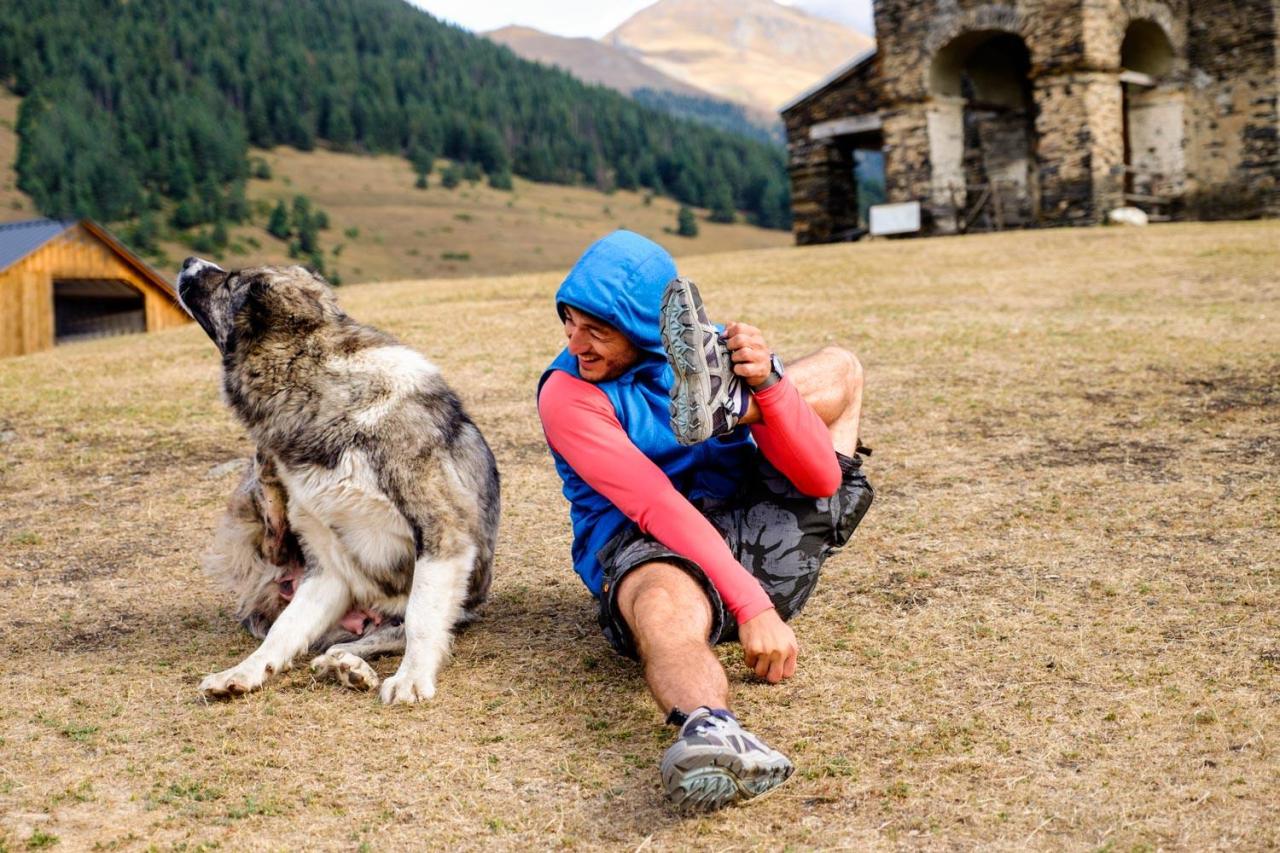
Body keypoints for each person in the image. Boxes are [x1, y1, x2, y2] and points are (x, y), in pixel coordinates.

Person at [536, 230, 873, 810]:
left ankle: (736, 406)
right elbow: (657, 508)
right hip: (648, 543)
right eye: (569, 322)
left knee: (840, 367)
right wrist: (754, 607)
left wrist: (765, 387)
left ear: (646, 328)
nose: (576, 342)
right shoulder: (568, 395)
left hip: (753, 519)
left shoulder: (703, 351)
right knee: (662, 605)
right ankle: (711, 730)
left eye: (597, 329)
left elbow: (819, 481)